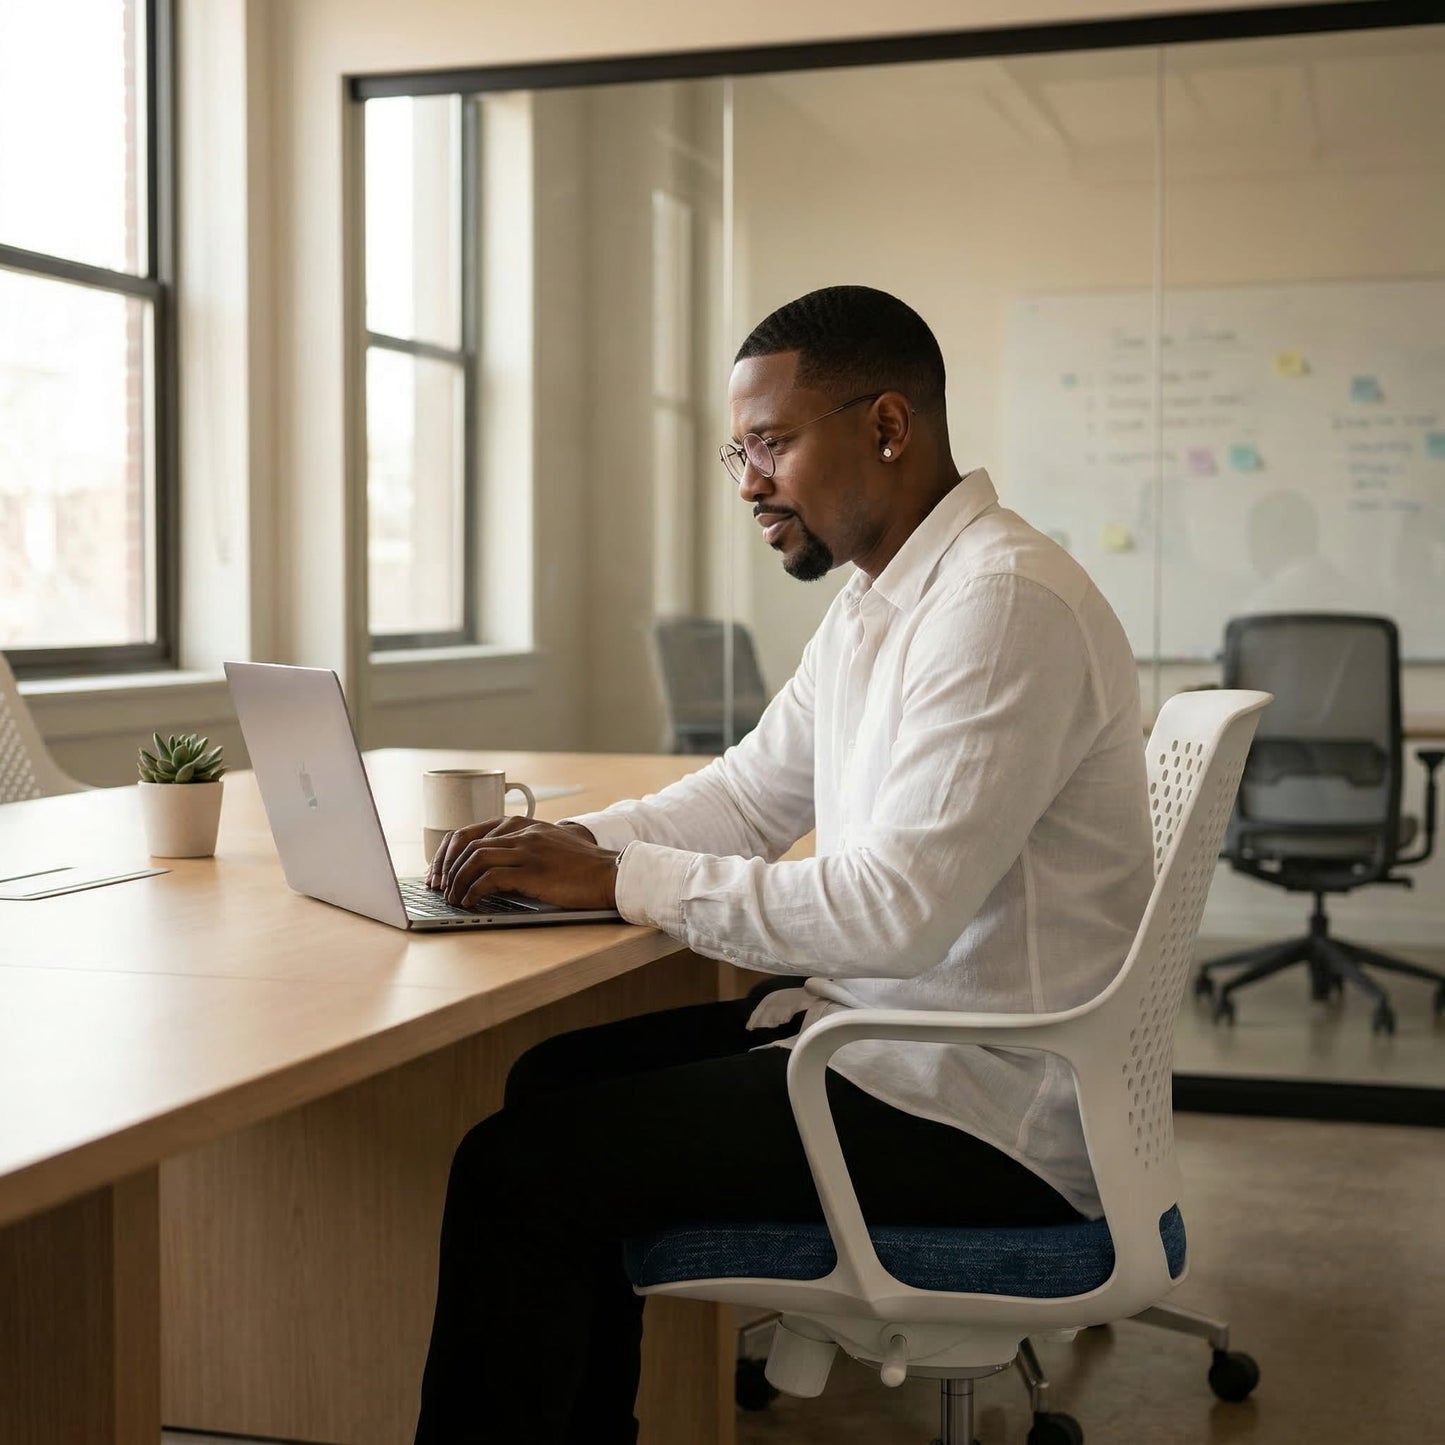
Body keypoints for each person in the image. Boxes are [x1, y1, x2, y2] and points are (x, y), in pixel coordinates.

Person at [413, 285, 1154, 1445]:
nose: (747, 480)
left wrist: (613, 880)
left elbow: (892, 915)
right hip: (901, 1054)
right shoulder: (881, 601)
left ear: (887, 426)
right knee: (548, 1082)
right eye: (737, 449)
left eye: (771, 442)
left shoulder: (999, 603)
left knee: (518, 1173)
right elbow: (749, 794)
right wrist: (563, 850)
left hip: (979, 1113)